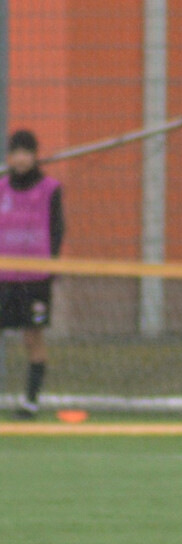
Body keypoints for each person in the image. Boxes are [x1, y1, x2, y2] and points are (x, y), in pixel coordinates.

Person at [0, 129, 64, 420]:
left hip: (35, 279)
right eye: (17, 152)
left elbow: (57, 229)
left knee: (32, 339)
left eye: (28, 152)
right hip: (4, 277)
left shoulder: (50, 188)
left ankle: (31, 402)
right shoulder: (2, 188)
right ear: (10, 157)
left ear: (35, 155)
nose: (22, 158)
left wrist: (51, 267)